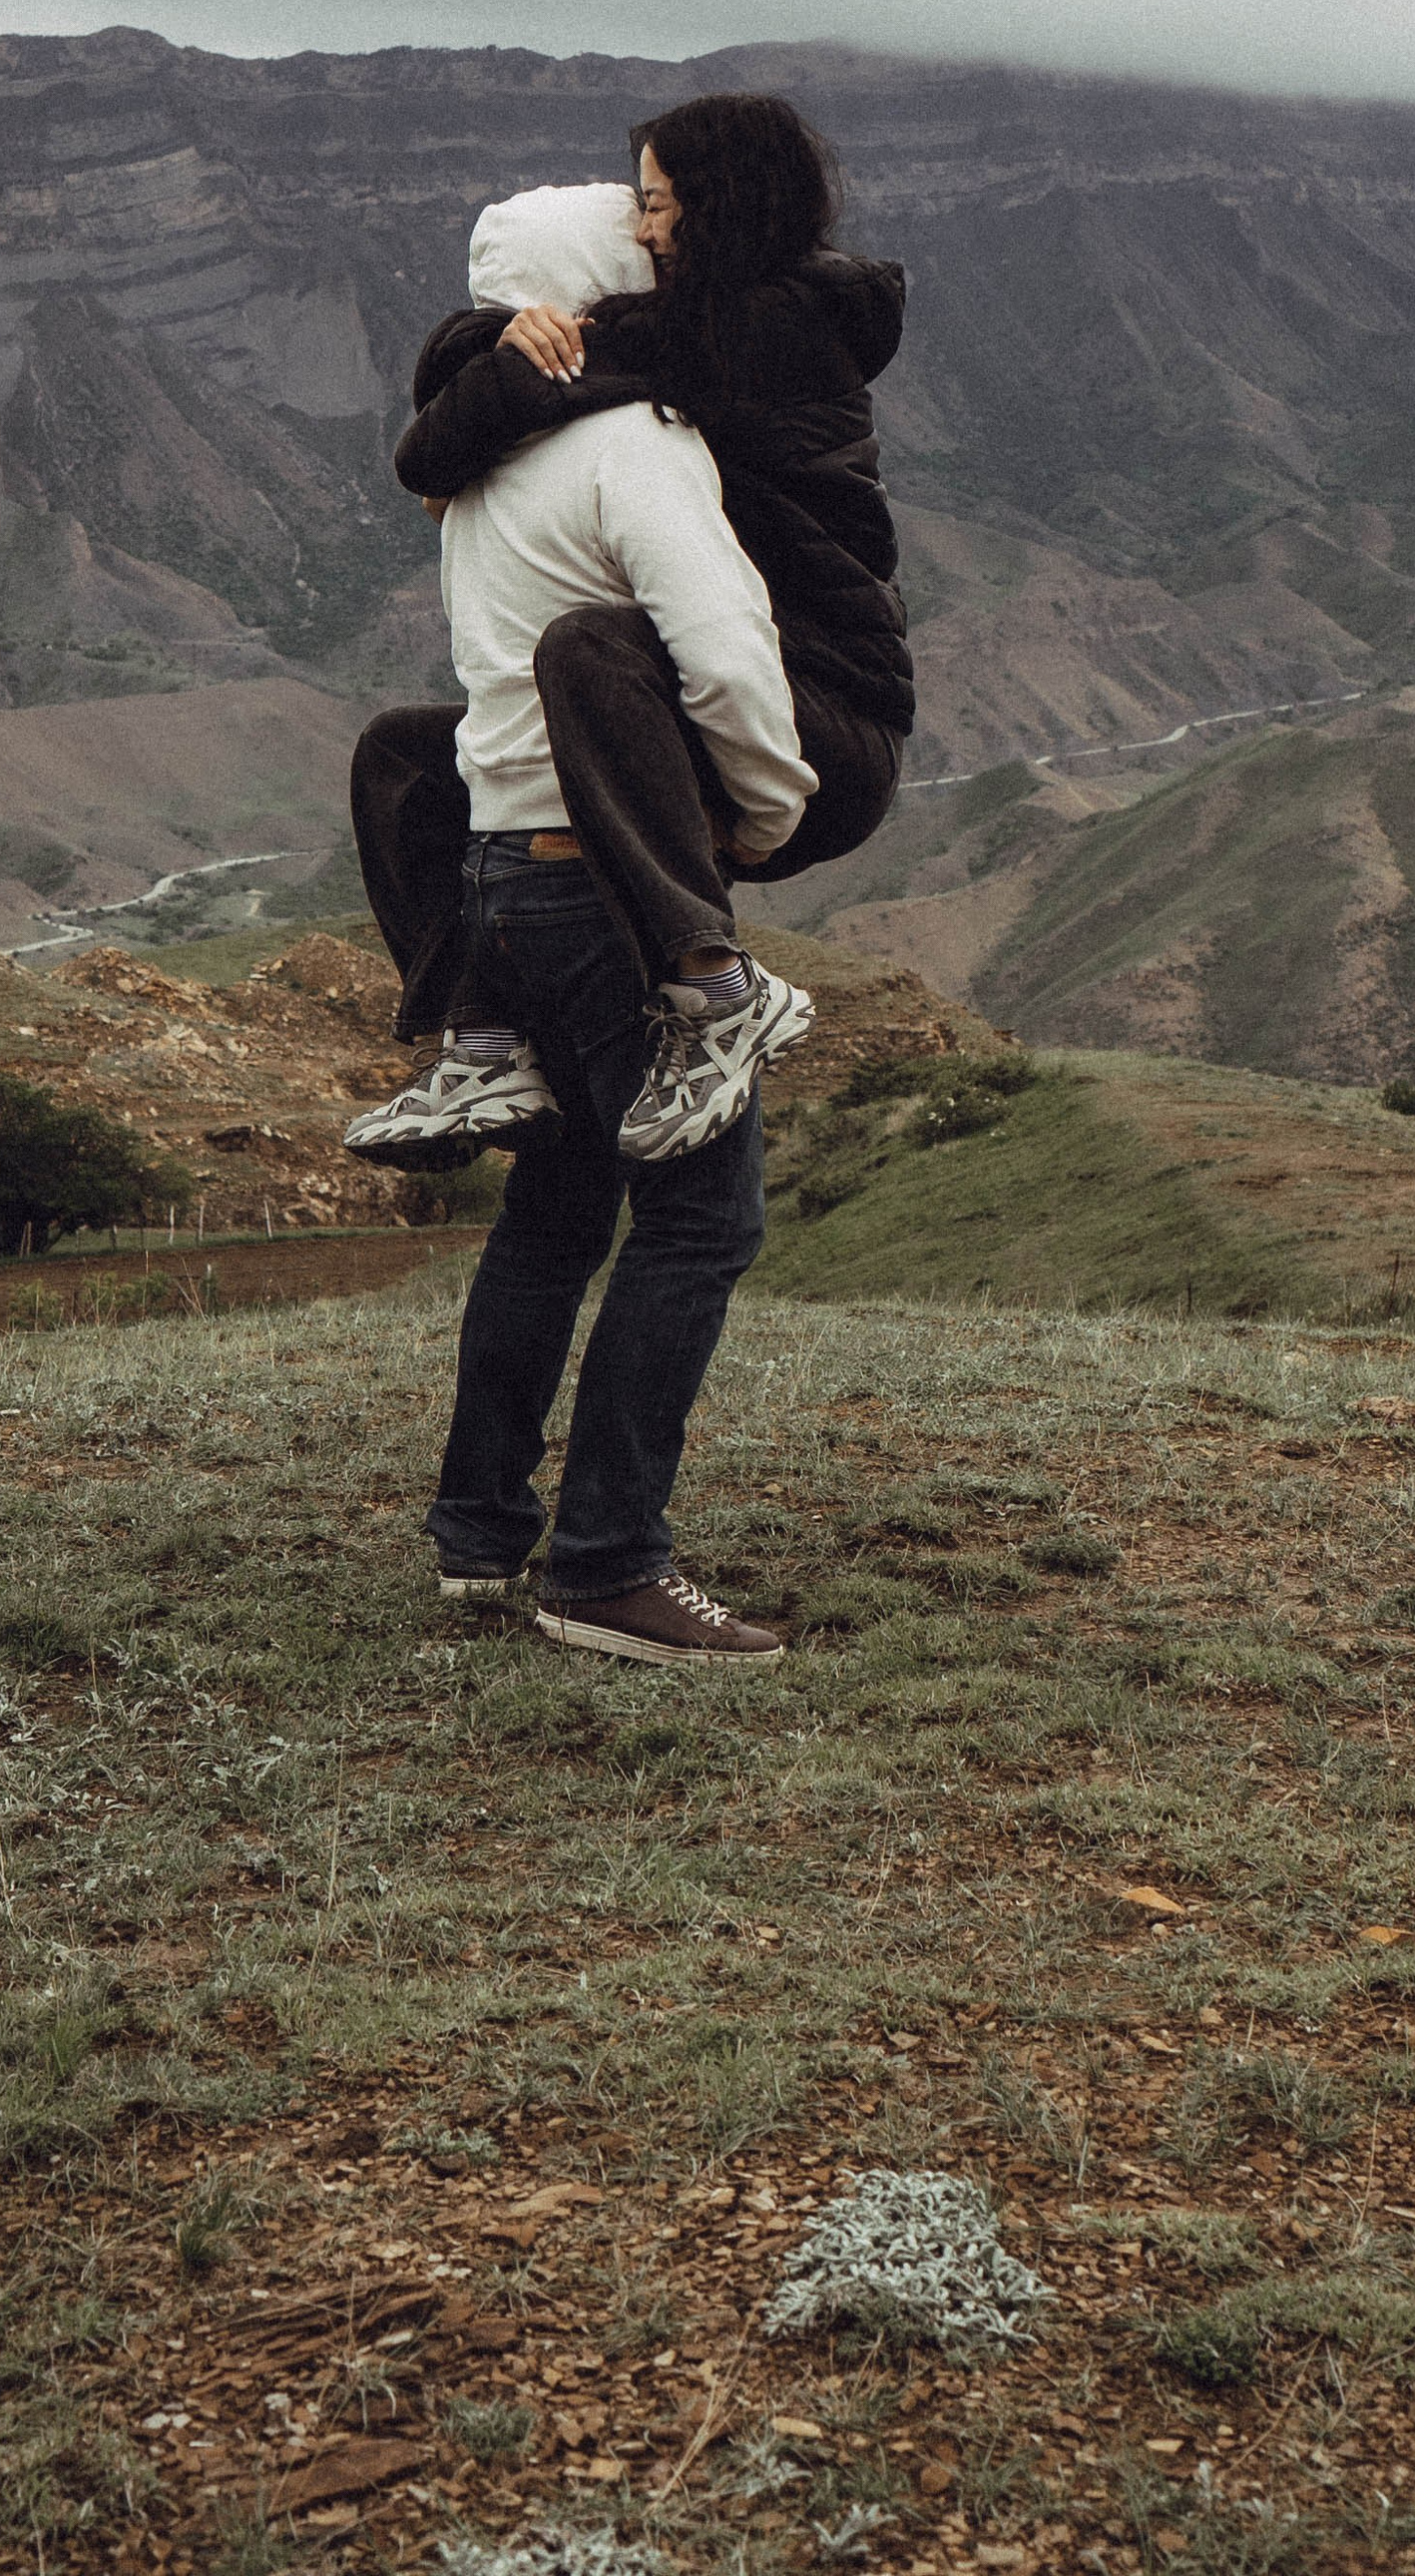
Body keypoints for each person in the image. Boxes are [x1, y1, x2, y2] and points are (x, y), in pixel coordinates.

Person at [358, 181, 817, 1663]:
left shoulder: (483, 465)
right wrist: (765, 811)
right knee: (702, 1213)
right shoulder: (634, 445)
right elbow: (725, 653)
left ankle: (479, 1536)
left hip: (500, 878)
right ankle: (608, 1566)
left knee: (555, 1213)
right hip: (603, 883)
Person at [350, 91, 911, 1164]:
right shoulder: (693, 325)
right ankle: (478, 1038)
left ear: (721, 205)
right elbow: (472, 397)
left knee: (586, 647)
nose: (644, 230)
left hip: (817, 719)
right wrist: (500, 350)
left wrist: (506, 354)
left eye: (658, 206)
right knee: (402, 758)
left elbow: (435, 442)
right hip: (710, 702)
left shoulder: (763, 328)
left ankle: (718, 989)